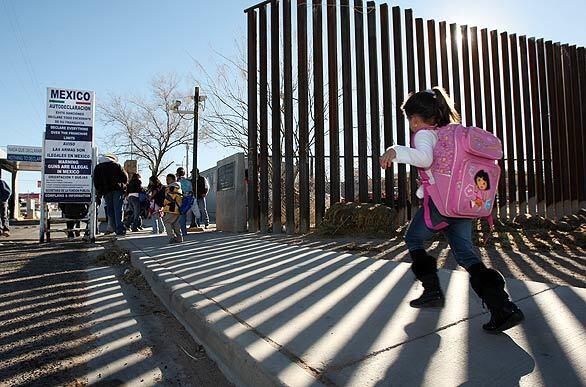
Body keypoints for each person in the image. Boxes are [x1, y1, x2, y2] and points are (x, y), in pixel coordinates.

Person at [379, 87, 524, 333]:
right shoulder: (446, 133)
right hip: (460, 206)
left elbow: (424, 159)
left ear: (415, 119)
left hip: (442, 206)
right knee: (467, 255)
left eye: (410, 120)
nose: (411, 124)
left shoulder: (424, 134)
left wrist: (396, 150)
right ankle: (503, 307)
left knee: (413, 238)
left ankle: (432, 290)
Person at [93, 153, 128, 236]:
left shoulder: (98, 167)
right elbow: (125, 178)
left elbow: (96, 180)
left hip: (106, 191)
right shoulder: (116, 165)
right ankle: (119, 229)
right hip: (117, 189)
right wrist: (123, 186)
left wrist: (100, 190)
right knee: (118, 210)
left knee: (110, 210)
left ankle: (112, 227)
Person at [163, 174, 183, 244]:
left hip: (171, 208)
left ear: (173, 180)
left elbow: (168, 199)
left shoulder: (172, 187)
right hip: (177, 208)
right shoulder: (178, 187)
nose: (167, 181)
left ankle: (172, 237)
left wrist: (164, 204)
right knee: (175, 224)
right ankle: (179, 238)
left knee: (166, 221)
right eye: (166, 179)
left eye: (168, 179)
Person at [176, 167, 194, 236]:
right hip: (187, 200)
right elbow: (191, 191)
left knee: (179, 217)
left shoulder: (177, 182)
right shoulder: (188, 182)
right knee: (183, 216)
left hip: (179, 200)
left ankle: (179, 232)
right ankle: (184, 232)